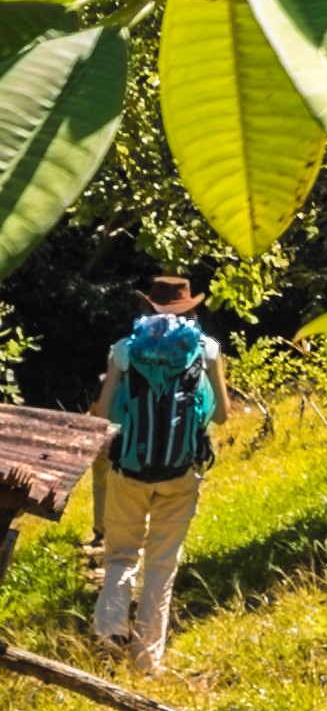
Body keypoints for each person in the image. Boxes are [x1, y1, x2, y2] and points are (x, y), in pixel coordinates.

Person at [88, 275, 225, 673]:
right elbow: (221, 414)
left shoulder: (124, 350)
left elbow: (103, 415)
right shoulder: (208, 350)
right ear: (190, 307)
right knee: (161, 567)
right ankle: (147, 661)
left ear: (149, 304)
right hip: (181, 473)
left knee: (120, 556)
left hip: (130, 470)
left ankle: (110, 633)